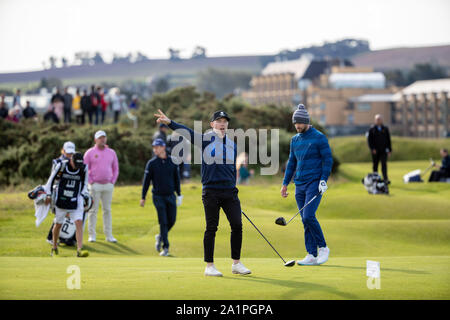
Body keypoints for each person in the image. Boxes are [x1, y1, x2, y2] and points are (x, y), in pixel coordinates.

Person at [154, 109, 251, 277]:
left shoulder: (232, 145)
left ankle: (236, 263)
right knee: (211, 228)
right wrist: (170, 122)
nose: (222, 124)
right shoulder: (205, 140)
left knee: (237, 225)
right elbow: (187, 132)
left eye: (225, 121)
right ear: (212, 124)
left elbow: (230, 169)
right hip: (211, 191)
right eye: (219, 121)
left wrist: (233, 187)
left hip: (230, 192)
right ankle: (209, 266)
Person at [281, 104, 333, 266]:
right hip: (299, 184)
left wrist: (323, 179)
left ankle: (323, 247)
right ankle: (311, 253)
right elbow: (291, 163)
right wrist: (285, 184)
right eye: (295, 123)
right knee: (305, 219)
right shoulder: (295, 140)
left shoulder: (319, 137)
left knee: (309, 215)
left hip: (314, 183)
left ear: (306, 122)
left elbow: (328, 160)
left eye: (299, 123)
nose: (297, 126)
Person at [43, 142, 89, 258]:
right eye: (75, 164)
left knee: (79, 222)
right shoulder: (61, 165)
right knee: (58, 224)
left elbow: (84, 184)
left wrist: (83, 196)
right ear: (71, 160)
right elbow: (50, 181)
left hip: (76, 198)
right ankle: (54, 248)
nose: (76, 167)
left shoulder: (83, 168)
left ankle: (79, 249)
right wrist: (48, 195)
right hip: (61, 199)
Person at [140, 138, 182, 257]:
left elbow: (177, 179)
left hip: (170, 195)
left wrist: (179, 194)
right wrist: (143, 197)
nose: (155, 149)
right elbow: (146, 182)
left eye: (157, 147)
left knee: (172, 220)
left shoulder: (173, 161)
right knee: (163, 221)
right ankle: (166, 247)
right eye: (154, 147)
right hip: (158, 196)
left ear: (163, 147)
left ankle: (160, 236)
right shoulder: (152, 163)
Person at [84, 130, 119, 243]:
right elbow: (84, 169)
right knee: (93, 211)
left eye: (104, 137)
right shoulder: (90, 152)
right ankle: (92, 235)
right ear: (95, 140)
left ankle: (109, 236)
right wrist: (91, 181)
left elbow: (116, 168)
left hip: (108, 185)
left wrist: (112, 181)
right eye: (100, 138)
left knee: (107, 210)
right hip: (95, 186)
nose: (102, 139)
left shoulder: (111, 152)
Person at [367, 114, 392, 184]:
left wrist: (389, 150)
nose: (378, 121)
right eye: (377, 119)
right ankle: (375, 179)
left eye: (379, 119)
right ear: (375, 120)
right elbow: (369, 140)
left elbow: (388, 140)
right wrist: (372, 149)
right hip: (375, 151)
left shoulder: (385, 129)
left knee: (384, 165)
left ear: (382, 120)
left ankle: (385, 179)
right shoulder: (372, 129)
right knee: (375, 165)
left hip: (383, 150)